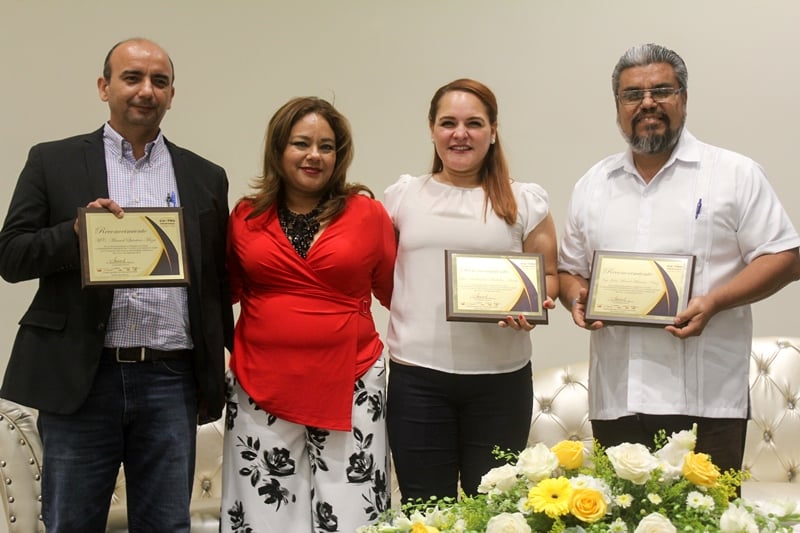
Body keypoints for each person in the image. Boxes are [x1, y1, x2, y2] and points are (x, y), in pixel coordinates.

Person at [0, 38, 233, 532]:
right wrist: (74, 233)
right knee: (71, 524)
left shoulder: (205, 176)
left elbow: (216, 281)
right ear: (104, 87)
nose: (146, 90)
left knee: (167, 526)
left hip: (171, 379)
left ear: (172, 95)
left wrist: (221, 367)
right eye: (132, 78)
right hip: (83, 379)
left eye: (159, 81)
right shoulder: (53, 161)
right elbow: (11, 256)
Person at [558, 43, 800, 474]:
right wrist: (578, 297)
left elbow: (785, 256)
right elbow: (570, 270)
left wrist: (715, 302)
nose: (647, 103)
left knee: (710, 512)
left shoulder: (734, 173)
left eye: (662, 91)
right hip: (617, 397)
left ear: (683, 99)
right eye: (633, 94)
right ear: (618, 106)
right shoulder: (594, 184)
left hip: (708, 398)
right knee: (619, 512)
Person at [221, 96, 396, 532]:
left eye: (326, 146)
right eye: (302, 143)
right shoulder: (245, 216)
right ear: (278, 149)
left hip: (352, 381)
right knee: (264, 516)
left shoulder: (369, 214)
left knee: (354, 516)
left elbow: (399, 293)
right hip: (260, 385)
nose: (314, 155)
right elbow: (223, 293)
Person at [385, 78, 558, 503]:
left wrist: (534, 308)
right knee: (425, 509)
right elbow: (377, 273)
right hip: (418, 380)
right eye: (448, 123)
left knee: (497, 509)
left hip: (500, 383)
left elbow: (549, 276)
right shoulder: (403, 197)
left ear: (493, 131)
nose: (460, 134)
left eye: (474, 123)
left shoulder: (525, 200)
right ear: (432, 129)